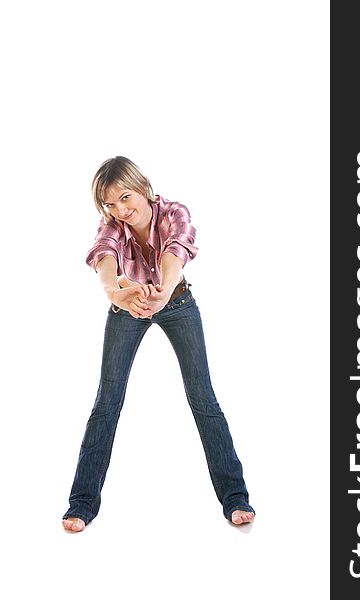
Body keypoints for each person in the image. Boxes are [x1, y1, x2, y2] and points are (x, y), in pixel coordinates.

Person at [62, 156, 255, 532]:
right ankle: (81, 505)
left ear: (144, 187)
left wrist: (163, 292)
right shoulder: (113, 225)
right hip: (129, 307)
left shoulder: (173, 212)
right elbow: (104, 259)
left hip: (177, 301)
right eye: (110, 204)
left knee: (203, 397)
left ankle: (235, 498)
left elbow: (175, 252)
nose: (121, 209)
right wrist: (118, 293)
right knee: (107, 401)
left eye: (126, 197)